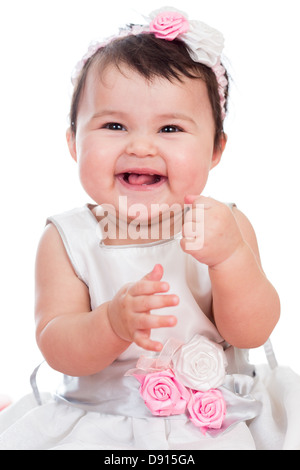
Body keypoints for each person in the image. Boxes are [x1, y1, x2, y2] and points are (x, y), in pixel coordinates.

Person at [0, 7, 299, 450]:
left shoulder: (224, 224)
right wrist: (110, 323)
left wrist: (231, 258)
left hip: (215, 424)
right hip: (101, 423)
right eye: (114, 125)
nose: (141, 145)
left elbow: (250, 333)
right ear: (73, 141)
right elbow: (57, 344)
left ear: (215, 149)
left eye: (171, 128)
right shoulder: (68, 239)